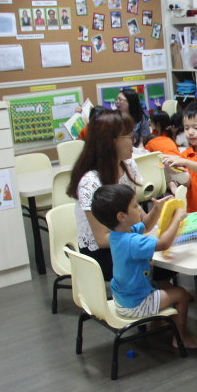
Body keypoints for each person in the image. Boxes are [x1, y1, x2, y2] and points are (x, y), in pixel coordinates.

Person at [91, 184, 197, 349]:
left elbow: (146, 226)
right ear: (122, 216)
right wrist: (177, 220)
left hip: (124, 298)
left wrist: (157, 209)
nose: (139, 209)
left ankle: (156, 324)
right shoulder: (132, 241)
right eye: (135, 206)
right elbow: (163, 243)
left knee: (159, 286)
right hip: (136, 303)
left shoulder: (119, 234)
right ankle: (181, 339)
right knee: (181, 294)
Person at [66, 110, 141, 280]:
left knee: (168, 248)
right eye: (128, 136)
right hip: (102, 254)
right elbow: (101, 239)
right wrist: (141, 238)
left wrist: (160, 213)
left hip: (125, 238)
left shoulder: (129, 165)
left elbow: (136, 216)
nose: (133, 140)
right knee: (154, 254)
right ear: (111, 142)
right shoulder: (90, 182)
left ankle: (161, 292)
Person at [145, 110, 182, 194]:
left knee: (155, 167)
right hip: (179, 164)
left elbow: (146, 156)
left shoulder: (152, 142)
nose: (150, 123)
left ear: (157, 124)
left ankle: (171, 184)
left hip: (166, 167)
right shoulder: (169, 138)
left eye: (151, 122)